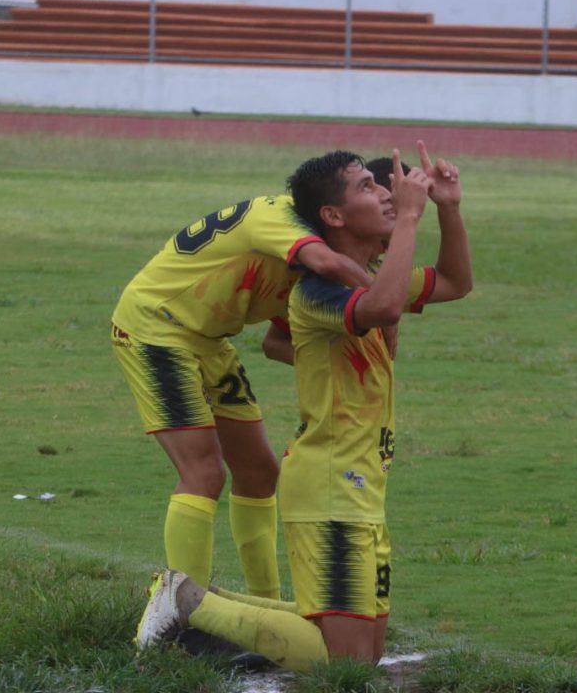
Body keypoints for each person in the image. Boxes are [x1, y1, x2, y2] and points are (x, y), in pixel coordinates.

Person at [135, 142, 472, 671]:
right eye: (369, 187)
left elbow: (454, 282)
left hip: (359, 484)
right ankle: (183, 602)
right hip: (332, 486)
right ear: (333, 216)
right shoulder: (319, 291)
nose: (385, 193)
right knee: (347, 663)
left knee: (365, 650)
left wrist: (447, 210)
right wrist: (408, 216)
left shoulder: (358, 281)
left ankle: (202, 601)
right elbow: (380, 302)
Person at [111, 193, 373, 627]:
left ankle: (262, 607)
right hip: (155, 325)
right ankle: (183, 618)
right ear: (338, 211)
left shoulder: (329, 263)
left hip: (206, 338)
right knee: (204, 473)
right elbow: (327, 265)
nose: (395, 218)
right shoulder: (285, 221)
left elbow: (278, 342)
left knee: (259, 472)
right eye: (384, 200)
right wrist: (381, 301)